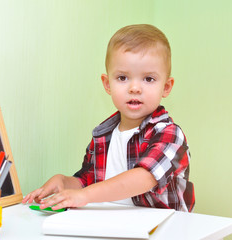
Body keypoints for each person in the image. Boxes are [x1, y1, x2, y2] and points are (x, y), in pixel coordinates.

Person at [22, 24, 195, 212]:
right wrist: (63, 182)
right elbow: (87, 181)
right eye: (122, 78)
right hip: (115, 225)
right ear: (107, 84)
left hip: (165, 229)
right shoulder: (103, 135)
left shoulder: (170, 134)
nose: (134, 88)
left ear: (167, 87)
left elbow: (144, 178)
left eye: (148, 79)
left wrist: (85, 195)